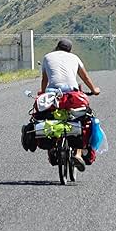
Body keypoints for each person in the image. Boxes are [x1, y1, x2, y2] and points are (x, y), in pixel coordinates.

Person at [39, 37, 100, 171]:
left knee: (49, 117)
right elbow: (85, 77)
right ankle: (78, 154)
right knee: (81, 120)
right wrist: (94, 90)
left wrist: (42, 93)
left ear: (57, 48)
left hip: (52, 94)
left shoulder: (47, 57)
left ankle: (53, 147)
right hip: (72, 93)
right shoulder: (74, 58)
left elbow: (45, 79)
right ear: (69, 50)